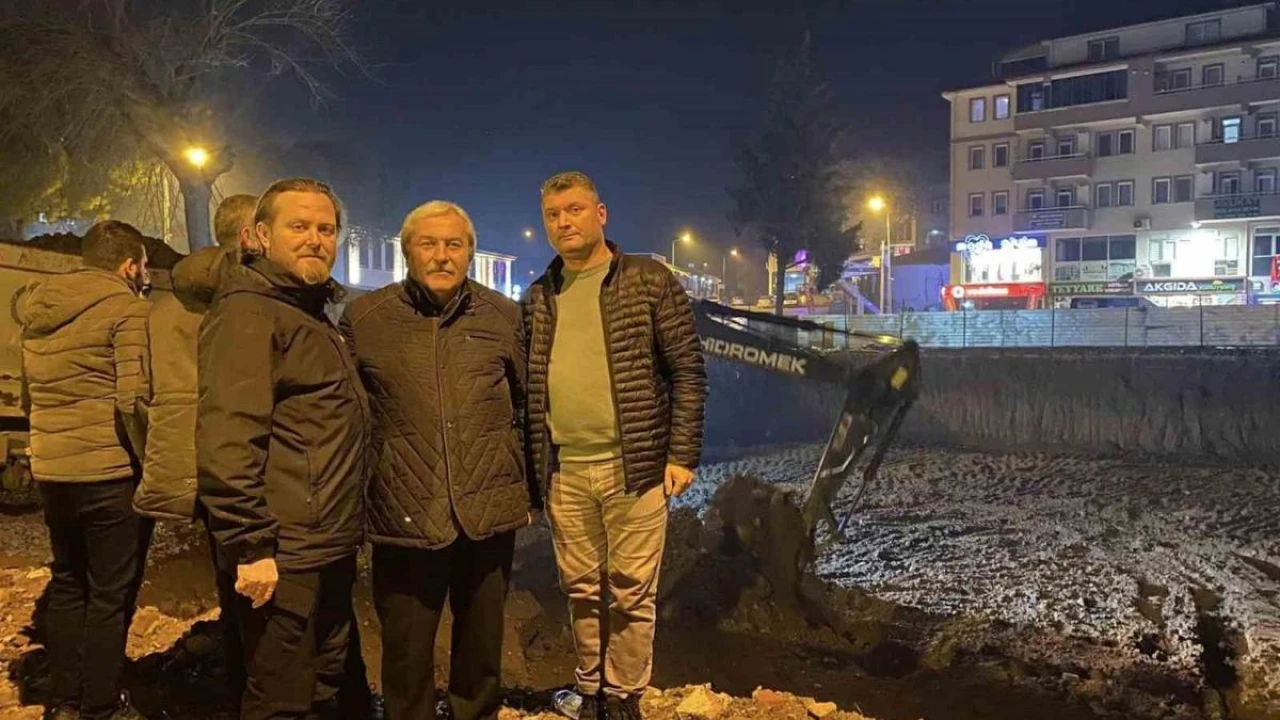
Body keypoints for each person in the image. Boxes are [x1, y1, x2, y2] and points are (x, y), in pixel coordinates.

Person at [340, 200, 537, 720]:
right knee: (406, 651)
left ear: (470, 252)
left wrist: (529, 489)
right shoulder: (366, 318)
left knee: (481, 647)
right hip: (402, 509)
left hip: (488, 509)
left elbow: (530, 407)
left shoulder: (503, 316)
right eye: (428, 244)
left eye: (454, 244)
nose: (442, 255)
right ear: (407, 252)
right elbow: (349, 417)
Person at [522, 171, 707, 720]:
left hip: (636, 467)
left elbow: (687, 370)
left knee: (631, 591)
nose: (564, 222)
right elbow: (529, 389)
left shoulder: (648, 280)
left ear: (600, 214)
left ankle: (624, 696)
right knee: (580, 590)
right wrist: (533, 475)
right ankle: (590, 690)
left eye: (575, 209)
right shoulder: (538, 296)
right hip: (565, 471)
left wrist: (681, 454)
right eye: (553, 214)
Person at [197, 177, 370, 720]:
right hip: (284, 551)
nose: (315, 239)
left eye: (326, 229)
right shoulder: (250, 314)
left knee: (321, 682)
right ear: (260, 236)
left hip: (325, 544)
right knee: (280, 696)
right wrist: (251, 546)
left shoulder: (304, 311)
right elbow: (229, 438)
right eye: (299, 226)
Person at [14, 220, 152, 720]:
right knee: (111, 593)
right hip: (109, 473)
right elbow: (133, 399)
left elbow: (29, 399)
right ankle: (100, 704)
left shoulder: (39, 311)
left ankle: (64, 702)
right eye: (143, 266)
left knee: (70, 582)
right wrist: (152, 464)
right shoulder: (127, 309)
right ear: (129, 265)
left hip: (54, 473)